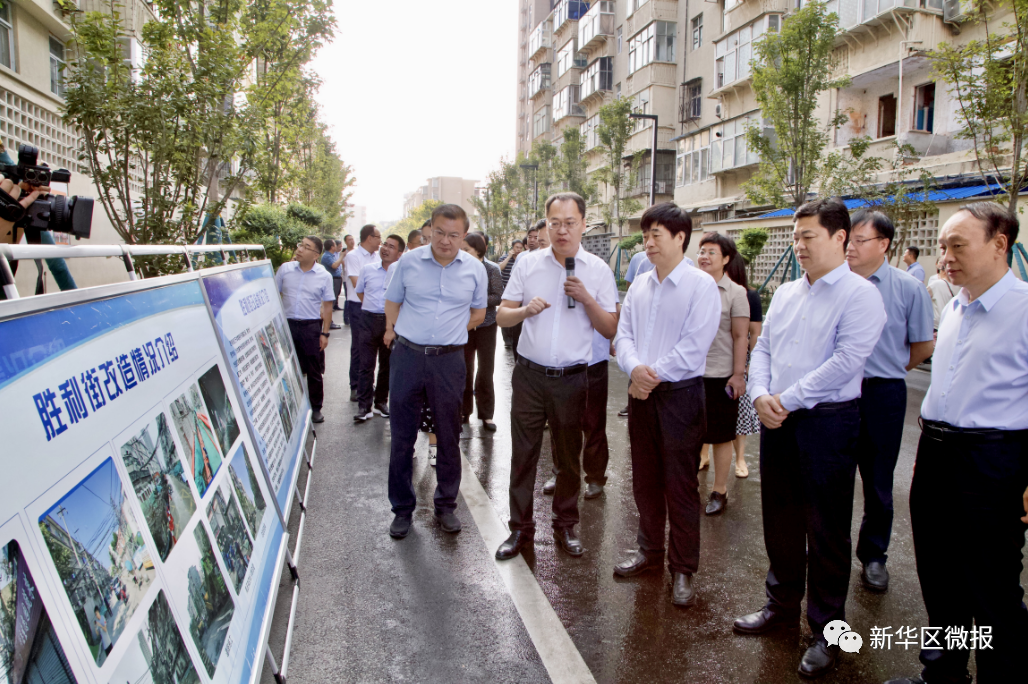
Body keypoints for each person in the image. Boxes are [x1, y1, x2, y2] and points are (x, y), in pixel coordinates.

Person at [734, 198, 886, 679]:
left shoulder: (861, 296)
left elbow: (846, 360)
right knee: (778, 518)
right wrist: (759, 393)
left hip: (828, 422)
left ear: (840, 237)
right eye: (796, 237)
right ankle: (780, 606)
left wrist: (786, 398)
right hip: (777, 417)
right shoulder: (786, 294)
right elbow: (766, 349)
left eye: (807, 237)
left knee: (826, 528)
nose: (798, 245)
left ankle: (828, 629)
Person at [884, 203, 1028, 684]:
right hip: (936, 454)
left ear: (999, 244)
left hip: (992, 462)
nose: (944, 257)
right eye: (942, 246)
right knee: (939, 576)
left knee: (991, 587)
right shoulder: (954, 305)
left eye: (957, 245)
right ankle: (942, 675)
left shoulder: (1024, 308)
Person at [495, 192, 618, 561]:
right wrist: (523, 312)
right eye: (554, 223)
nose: (562, 230)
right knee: (524, 455)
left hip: (572, 378)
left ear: (583, 223)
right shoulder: (528, 264)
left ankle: (565, 525)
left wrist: (587, 299)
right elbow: (502, 315)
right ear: (546, 224)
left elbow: (610, 328)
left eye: (569, 223)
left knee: (568, 459)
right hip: (530, 376)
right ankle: (519, 530)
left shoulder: (597, 270)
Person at [611, 202, 720, 607]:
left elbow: (694, 346)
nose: (648, 242)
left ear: (680, 237)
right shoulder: (640, 284)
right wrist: (635, 369)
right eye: (645, 235)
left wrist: (648, 376)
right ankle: (649, 552)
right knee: (645, 479)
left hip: (680, 397)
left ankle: (683, 568)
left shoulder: (700, 285)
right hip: (642, 393)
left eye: (657, 235)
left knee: (680, 485)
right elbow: (623, 336)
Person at [844, 210, 935, 594]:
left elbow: (923, 345)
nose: (850, 247)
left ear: (883, 244)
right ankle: (829, 548)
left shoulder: (908, 288)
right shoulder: (832, 283)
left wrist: (892, 369)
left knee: (879, 481)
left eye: (859, 241)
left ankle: (874, 556)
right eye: (848, 239)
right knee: (831, 476)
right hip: (835, 395)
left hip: (883, 393)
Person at [384, 204, 487, 539]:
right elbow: (393, 301)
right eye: (440, 232)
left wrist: (450, 332)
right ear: (430, 230)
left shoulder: (474, 269)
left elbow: (479, 311)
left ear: (464, 235)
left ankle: (445, 506)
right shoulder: (408, 262)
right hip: (408, 356)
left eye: (454, 235)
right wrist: (396, 330)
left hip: (448, 361)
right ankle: (402, 509)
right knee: (401, 436)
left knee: (447, 434)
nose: (445, 240)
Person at [695, 233, 749, 516]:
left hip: (720, 375)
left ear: (726, 259)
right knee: (688, 434)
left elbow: (741, 336)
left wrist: (738, 374)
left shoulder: (736, 293)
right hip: (689, 374)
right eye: (701, 251)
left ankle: (719, 491)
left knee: (721, 436)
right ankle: (686, 486)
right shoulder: (690, 286)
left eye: (711, 252)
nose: (703, 256)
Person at [275, 236, 335, 424]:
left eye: (306, 247)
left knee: (313, 370)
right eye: (300, 244)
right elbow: (274, 295)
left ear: (316, 254)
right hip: (287, 325)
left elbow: (327, 306)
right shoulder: (285, 269)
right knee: (286, 368)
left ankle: (316, 407)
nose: (300, 249)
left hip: (310, 327)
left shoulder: (324, 276)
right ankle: (289, 406)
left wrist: (325, 333)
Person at [354, 234, 405, 423]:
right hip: (367, 319)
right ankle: (363, 406)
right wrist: (372, 308)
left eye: (391, 247)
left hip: (389, 321)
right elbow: (360, 292)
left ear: (399, 253)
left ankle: (381, 402)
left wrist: (388, 323)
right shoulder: (367, 270)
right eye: (385, 244)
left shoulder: (399, 272)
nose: (385, 248)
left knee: (386, 365)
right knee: (366, 365)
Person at [460, 232, 503, 431]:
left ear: (478, 250)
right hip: (465, 325)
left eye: (466, 249)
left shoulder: (492, 269)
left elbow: (497, 297)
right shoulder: (457, 267)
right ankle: (464, 411)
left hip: (486, 326)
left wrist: (476, 301)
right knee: (464, 369)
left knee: (486, 370)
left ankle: (486, 415)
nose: (462, 252)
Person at [726, 253, 762, 478]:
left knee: (740, 412)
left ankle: (739, 458)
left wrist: (750, 365)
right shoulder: (710, 291)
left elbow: (755, 333)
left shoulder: (750, 296)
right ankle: (704, 454)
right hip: (715, 359)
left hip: (741, 361)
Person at [344, 225, 382, 401]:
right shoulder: (353, 256)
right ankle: (356, 385)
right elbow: (356, 283)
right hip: (358, 306)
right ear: (369, 238)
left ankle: (370, 385)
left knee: (377, 348)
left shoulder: (379, 256)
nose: (380, 241)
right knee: (359, 347)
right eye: (378, 237)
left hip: (378, 309)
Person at [499, 240, 525, 349]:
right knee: (505, 313)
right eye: (516, 247)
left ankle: (514, 337)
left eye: (520, 247)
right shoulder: (505, 258)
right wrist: (509, 257)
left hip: (517, 291)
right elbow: (500, 267)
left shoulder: (524, 259)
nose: (518, 250)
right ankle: (507, 339)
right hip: (506, 291)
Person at [927, 256, 958, 330]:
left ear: (944, 271)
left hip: (937, 326)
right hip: (951, 324)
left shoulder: (936, 284)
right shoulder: (959, 286)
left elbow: (919, 299)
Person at [321, 238, 345, 325]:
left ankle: (329, 321)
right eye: (335, 244)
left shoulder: (333, 255)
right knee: (330, 302)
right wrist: (342, 256)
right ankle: (328, 322)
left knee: (333, 301)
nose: (336, 246)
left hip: (337, 279)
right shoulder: (327, 256)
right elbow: (334, 266)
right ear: (332, 247)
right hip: (333, 280)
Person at [342, 234, 356, 325]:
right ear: (346, 242)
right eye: (349, 239)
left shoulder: (356, 252)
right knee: (348, 298)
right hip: (347, 279)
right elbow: (344, 265)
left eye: (352, 239)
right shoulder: (344, 253)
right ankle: (346, 317)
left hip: (355, 279)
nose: (352, 241)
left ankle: (352, 317)